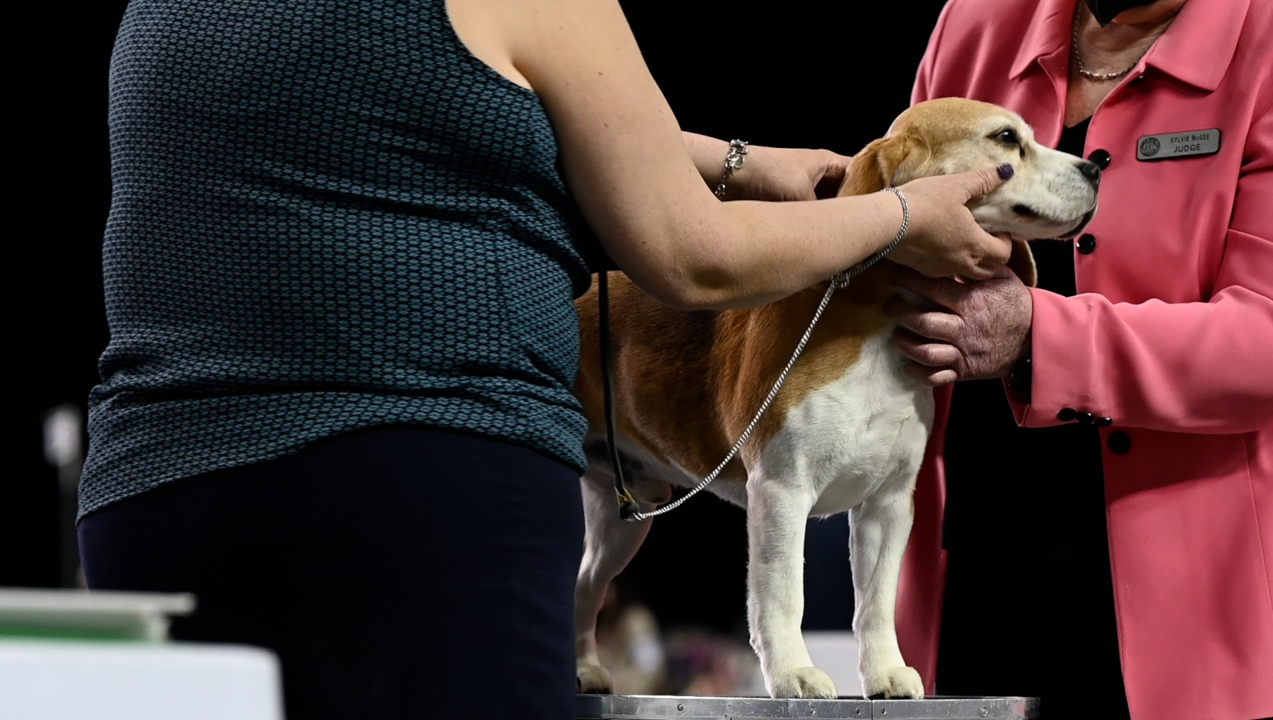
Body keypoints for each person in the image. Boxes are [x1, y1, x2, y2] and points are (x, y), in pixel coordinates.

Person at [76, 0, 1016, 718]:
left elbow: (431, 96)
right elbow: (695, 258)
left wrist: (736, 162)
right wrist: (901, 216)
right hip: (419, 493)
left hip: (154, 495)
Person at [885, 0, 1273, 719]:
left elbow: (1268, 342)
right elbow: (896, 250)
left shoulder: (1269, 39)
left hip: (1182, 613)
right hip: (969, 583)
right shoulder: (974, 24)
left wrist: (1040, 339)